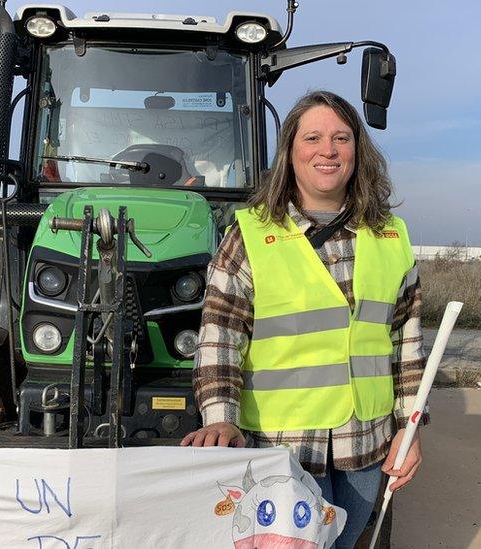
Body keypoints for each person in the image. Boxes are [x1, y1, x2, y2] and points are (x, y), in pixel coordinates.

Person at [180, 90, 426, 548]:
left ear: (358, 150)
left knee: (346, 540)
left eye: (341, 137)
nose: (327, 150)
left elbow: (406, 345)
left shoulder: (392, 236)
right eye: (312, 137)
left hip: (365, 442)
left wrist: (409, 431)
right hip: (280, 446)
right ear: (291, 152)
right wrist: (220, 418)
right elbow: (220, 338)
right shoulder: (251, 235)